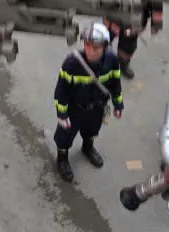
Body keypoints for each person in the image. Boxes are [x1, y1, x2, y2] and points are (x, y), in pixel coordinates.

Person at [52, 21, 124, 183]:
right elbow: (61, 90)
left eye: (96, 47)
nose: (91, 50)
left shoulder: (112, 61)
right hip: (74, 109)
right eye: (87, 45)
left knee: (92, 131)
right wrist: (62, 114)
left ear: (105, 46)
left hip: (97, 107)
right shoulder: (72, 63)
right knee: (65, 136)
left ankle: (87, 147)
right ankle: (62, 158)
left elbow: (115, 83)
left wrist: (118, 104)